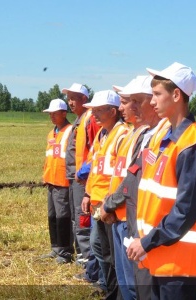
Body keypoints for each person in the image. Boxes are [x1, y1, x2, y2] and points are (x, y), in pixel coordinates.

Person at [127, 62, 196, 300]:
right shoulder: (168, 140)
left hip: (179, 263)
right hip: (162, 256)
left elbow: (187, 209)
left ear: (177, 95)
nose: (151, 101)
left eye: (158, 94)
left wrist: (147, 242)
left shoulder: (191, 146)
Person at [100, 75, 164, 300]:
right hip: (126, 216)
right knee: (129, 283)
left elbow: (132, 181)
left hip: (135, 222)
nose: (124, 106)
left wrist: (109, 203)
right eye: (128, 100)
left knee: (139, 287)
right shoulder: (141, 135)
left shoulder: (156, 137)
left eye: (132, 100)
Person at [81, 90, 129, 300]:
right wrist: (88, 194)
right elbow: (95, 169)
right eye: (93, 111)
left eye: (99, 110)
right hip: (98, 202)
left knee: (110, 252)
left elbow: (120, 175)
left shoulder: (122, 135)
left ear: (112, 111)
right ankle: (109, 287)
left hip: (110, 206)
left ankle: (114, 291)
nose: (94, 115)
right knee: (99, 247)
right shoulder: (102, 134)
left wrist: (109, 204)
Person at [61, 83, 100, 268]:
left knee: (82, 216)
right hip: (74, 176)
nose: (70, 102)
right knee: (77, 217)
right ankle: (83, 255)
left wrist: (84, 173)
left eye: (73, 98)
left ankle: (87, 258)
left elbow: (96, 151)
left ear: (84, 99)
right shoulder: (80, 120)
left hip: (83, 179)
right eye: (68, 98)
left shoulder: (90, 119)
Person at [41, 98, 74, 264]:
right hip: (51, 181)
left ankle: (65, 251)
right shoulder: (52, 133)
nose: (51, 116)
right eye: (50, 114)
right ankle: (55, 247)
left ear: (64, 113)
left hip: (63, 183)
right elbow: (50, 157)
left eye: (55, 113)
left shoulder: (70, 131)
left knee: (63, 217)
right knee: (52, 216)